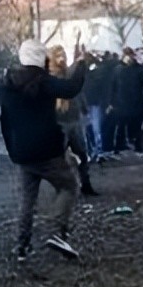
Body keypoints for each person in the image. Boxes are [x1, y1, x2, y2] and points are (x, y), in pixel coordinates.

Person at [0, 40, 85, 261]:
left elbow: (5, 120)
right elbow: (72, 88)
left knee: (27, 200)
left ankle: (22, 246)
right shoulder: (44, 81)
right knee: (69, 186)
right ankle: (59, 232)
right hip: (48, 150)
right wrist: (81, 63)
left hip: (22, 152)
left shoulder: (7, 83)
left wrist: (12, 149)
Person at [48, 45, 97, 196]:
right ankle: (61, 188)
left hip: (74, 119)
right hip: (59, 122)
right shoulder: (50, 76)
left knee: (82, 154)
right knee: (58, 159)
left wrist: (84, 108)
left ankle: (85, 184)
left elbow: (77, 90)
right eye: (58, 56)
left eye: (63, 54)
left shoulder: (68, 73)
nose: (62, 58)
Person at [109, 48, 143, 154]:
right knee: (126, 126)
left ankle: (130, 146)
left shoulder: (119, 69)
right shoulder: (134, 69)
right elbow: (113, 87)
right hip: (126, 102)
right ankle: (124, 146)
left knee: (131, 126)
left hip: (129, 102)